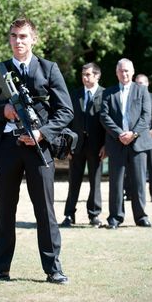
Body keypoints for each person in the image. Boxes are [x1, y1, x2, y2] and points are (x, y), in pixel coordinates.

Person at [0, 17, 74, 284]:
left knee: (45, 211)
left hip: (38, 148)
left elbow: (66, 111)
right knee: (4, 210)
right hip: (7, 147)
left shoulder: (49, 69)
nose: (18, 41)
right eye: (14, 36)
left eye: (23, 36)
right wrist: (3, 110)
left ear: (33, 39)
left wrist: (42, 133)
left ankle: (53, 269)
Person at [100, 58, 152, 229]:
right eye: (121, 71)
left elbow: (146, 116)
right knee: (116, 183)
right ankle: (115, 218)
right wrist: (119, 134)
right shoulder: (108, 93)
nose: (124, 74)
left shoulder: (142, 91)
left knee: (139, 182)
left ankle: (141, 217)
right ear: (117, 73)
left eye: (127, 71)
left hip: (138, 144)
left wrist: (133, 133)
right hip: (117, 143)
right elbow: (104, 116)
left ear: (133, 72)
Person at [61, 63, 106, 228]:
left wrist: (106, 145)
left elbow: (108, 123)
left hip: (97, 147)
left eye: (88, 74)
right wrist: (67, 146)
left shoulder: (105, 94)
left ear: (97, 76)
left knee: (95, 182)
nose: (85, 77)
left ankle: (94, 215)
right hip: (76, 147)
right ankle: (69, 215)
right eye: (83, 74)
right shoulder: (75, 95)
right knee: (73, 182)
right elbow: (67, 121)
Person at [124, 74, 152, 202]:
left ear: (148, 84)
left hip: (148, 137)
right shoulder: (131, 96)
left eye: (142, 83)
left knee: (151, 167)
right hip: (133, 138)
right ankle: (128, 193)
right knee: (130, 167)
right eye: (137, 83)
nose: (139, 85)